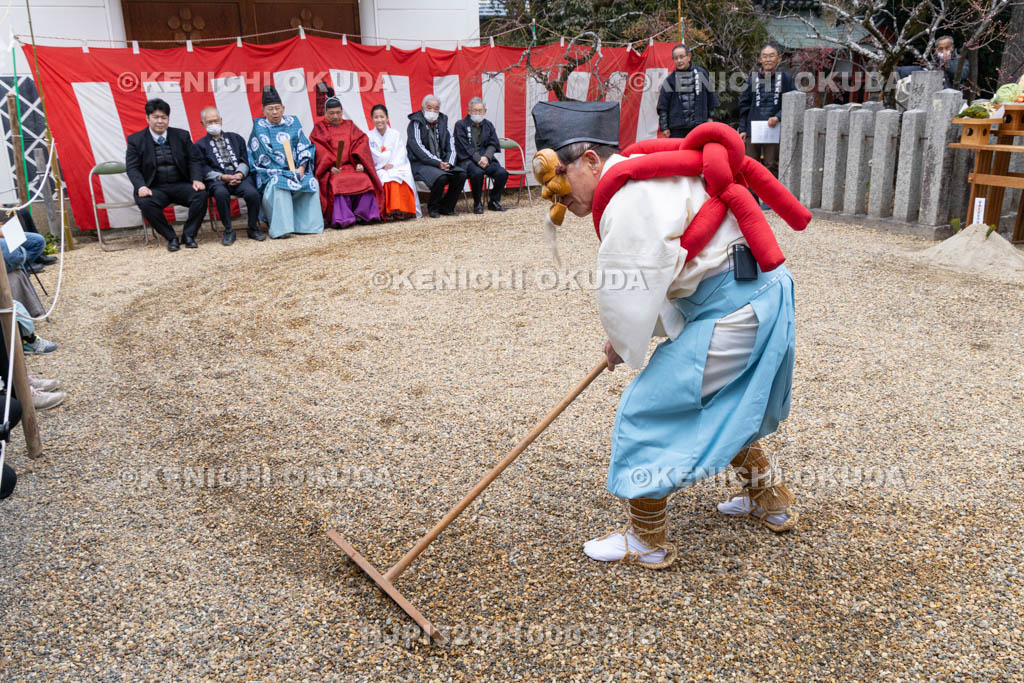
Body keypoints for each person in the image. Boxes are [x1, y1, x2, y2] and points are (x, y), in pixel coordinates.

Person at [530, 101, 809, 569]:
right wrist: (624, 338)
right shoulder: (641, 176)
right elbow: (664, 274)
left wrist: (622, 340)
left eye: (560, 173)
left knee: (647, 409)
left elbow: (634, 284)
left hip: (736, 310)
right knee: (720, 399)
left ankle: (647, 539)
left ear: (592, 160)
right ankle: (772, 500)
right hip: (756, 294)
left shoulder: (627, 197)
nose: (556, 194)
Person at [125, 98, 207, 251]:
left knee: (201, 194)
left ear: (168, 119)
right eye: (155, 117)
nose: (160, 121)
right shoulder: (136, 140)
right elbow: (132, 168)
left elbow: (194, 160)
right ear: (147, 118)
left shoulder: (181, 135)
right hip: (154, 187)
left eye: (163, 117)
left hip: (180, 184)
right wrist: (141, 186)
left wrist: (197, 179)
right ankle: (171, 237)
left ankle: (189, 235)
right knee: (145, 202)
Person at [247, 86, 323, 239]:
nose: (274, 112)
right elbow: (264, 156)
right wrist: (287, 172)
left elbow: (304, 145)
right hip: (274, 172)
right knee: (279, 184)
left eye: (277, 108)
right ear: (263, 110)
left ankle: (308, 226)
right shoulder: (259, 127)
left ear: (283, 108)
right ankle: (282, 229)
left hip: (297, 170)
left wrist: (301, 168)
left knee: (312, 182)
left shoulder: (293, 122)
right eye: (270, 109)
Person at [310, 94, 384, 229]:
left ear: (342, 111)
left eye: (338, 112)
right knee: (338, 182)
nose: (335, 116)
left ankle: (366, 215)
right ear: (325, 113)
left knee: (364, 179)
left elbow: (361, 141)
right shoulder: (319, 128)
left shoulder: (349, 125)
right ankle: (343, 218)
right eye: (331, 113)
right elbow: (319, 149)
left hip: (351, 165)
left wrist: (359, 162)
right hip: (333, 168)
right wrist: (330, 166)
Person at [194, 106, 266, 245]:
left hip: (239, 176)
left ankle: (252, 227)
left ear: (221, 120)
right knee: (221, 194)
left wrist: (239, 174)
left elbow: (245, 159)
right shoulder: (200, 145)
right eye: (209, 122)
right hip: (217, 180)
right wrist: (222, 177)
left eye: (216, 120)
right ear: (203, 124)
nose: (214, 124)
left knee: (252, 194)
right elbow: (203, 167)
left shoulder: (236, 138)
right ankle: (228, 230)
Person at [738, 43, 795, 180]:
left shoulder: (786, 79)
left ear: (779, 58)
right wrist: (743, 129)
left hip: (774, 129)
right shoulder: (753, 79)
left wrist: (779, 117)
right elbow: (744, 104)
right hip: (754, 128)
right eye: (765, 56)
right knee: (751, 164)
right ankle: (752, 198)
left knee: (772, 164)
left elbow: (793, 101)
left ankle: (769, 199)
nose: (768, 59)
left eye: (771, 56)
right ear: (760, 59)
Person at [407, 94, 466, 218]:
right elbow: (418, 149)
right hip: (420, 164)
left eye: (436, 108)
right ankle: (433, 207)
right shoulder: (415, 123)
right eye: (429, 108)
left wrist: (448, 163)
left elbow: (451, 144)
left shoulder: (443, 122)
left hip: (442, 163)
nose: (433, 111)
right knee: (441, 177)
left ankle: (446, 207)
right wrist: (438, 163)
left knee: (460, 174)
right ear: (423, 109)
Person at [454, 97, 508, 213]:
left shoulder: (488, 125)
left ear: (485, 111)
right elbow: (464, 146)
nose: (477, 113)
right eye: (474, 110)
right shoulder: (460, 125)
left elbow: (493, 143)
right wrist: (478, 159)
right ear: (469, 111)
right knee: (477, 173)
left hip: (486, 159)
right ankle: (477, 203)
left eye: (480, 110)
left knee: (502, 173)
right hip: (468, 160)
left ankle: (494, 201)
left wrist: (486, 157)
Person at [368, 104, 419, 220]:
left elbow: (401, 152)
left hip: (396, 164)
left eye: (382, 117)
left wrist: (393, 164)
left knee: (399, 177)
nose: (379, 120)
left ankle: (403, 210)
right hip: (379, 167)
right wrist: (382, 164)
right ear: (372, 119)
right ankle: (388, 211)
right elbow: (372, 155)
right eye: (376, 117)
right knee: (385, 178)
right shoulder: (369, 136)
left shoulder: (395, 134)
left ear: (387, 118)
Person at [657, 43, 719, 139]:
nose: (679, 61)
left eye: (681, 57)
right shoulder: (670, 80)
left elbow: (711, 98)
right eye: (676, 58)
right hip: (677, 129)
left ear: (689, 57)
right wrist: (664, 127)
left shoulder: (701, 73)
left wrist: (710, 117)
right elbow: (663, 106)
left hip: (699, 125)